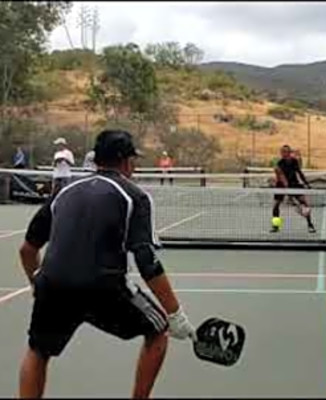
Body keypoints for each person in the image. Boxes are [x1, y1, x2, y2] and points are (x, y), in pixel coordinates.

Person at [18, 129, 196, 398]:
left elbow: (27, 250)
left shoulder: (64, 192)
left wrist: (37, 284)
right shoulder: (134, 196)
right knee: (159, 331)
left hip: (52, 284)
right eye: (133, 160)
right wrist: (175, 314)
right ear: (125, 161)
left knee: (38, 350)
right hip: (103, 286)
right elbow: (147, 261)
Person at [271, 144, 316, 233]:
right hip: (281, 185)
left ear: (289, 153)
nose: (283, 153)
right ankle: (276, 225)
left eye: (286, 151)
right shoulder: (280, 163)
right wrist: (287, 193)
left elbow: (299, 172)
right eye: (282, 152)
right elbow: (281, 177)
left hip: (294, 184)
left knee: (304, 204)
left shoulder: (294, 161)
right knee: (275, 206)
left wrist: (306, 184)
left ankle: (310, 225)